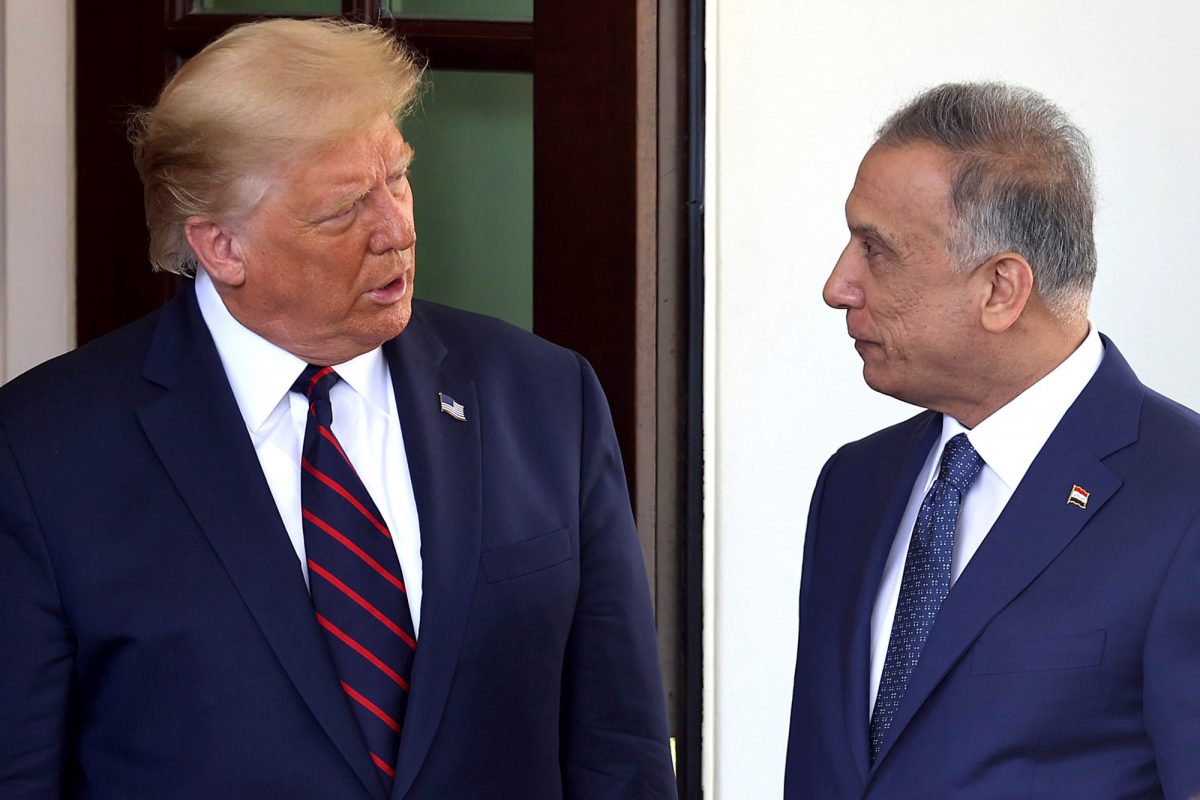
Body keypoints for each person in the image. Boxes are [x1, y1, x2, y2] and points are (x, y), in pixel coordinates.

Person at [0, 18, 676, 800]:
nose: (396, 229)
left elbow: (618, 748)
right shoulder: (44, 452)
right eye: (344, 209)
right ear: (222, 246)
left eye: (397, 177)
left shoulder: (545, 398)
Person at [784, 82, 1200, 799]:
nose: (837, 285)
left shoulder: (1183, 499)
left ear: (1002, 288)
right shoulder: (853, 485)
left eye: (875, 250)